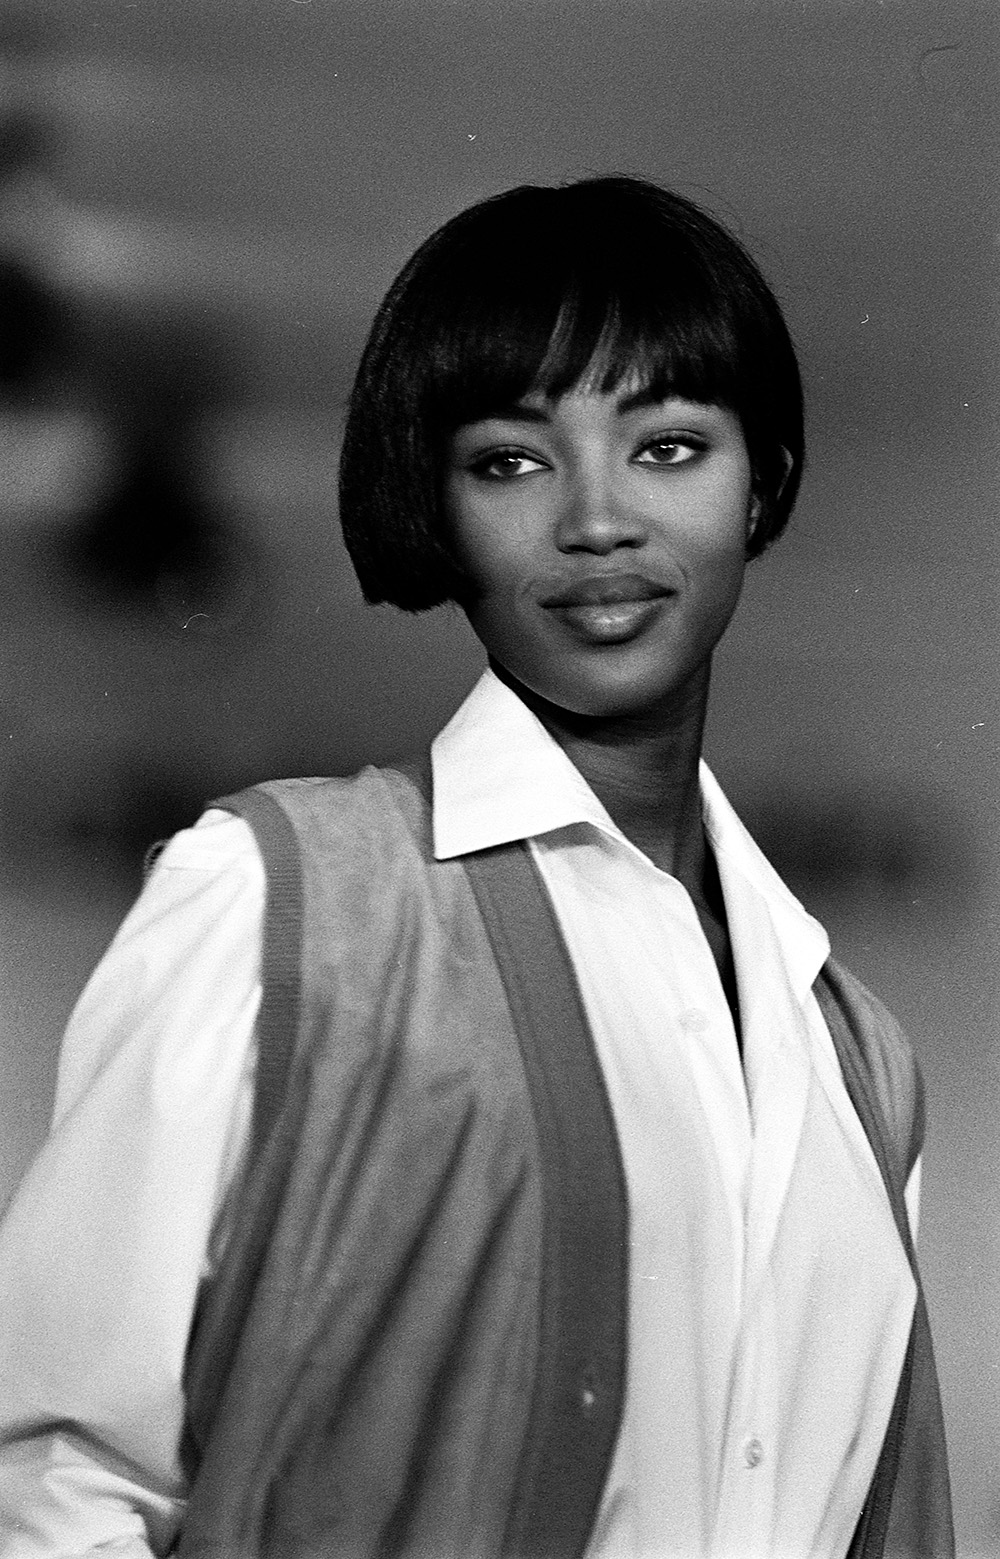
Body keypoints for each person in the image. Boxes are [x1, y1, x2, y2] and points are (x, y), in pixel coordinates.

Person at [0, 176, 952, 1559]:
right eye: (511, 460)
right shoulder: (281, 902)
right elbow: (53, 1484)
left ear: (769, 483)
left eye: (669, 448)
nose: (597, 521)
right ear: (434, 508)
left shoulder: (859, 1063)